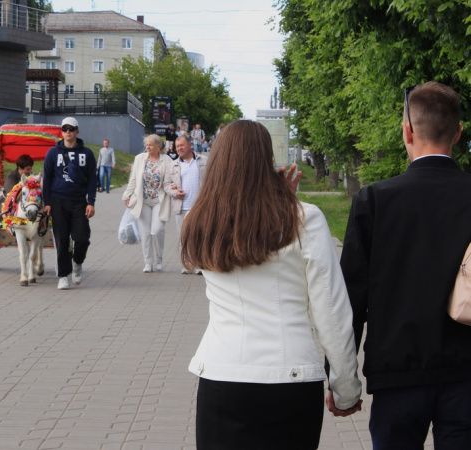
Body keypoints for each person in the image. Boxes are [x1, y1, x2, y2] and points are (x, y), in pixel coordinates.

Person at [181, 120, 362, 449]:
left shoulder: (199, 219)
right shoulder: (304, 218)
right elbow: (331, 311)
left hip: (223, 375)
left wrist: (274, 201)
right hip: (291, 378)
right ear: (268, 159)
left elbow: (245, 232)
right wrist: (346, 387)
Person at [340, 82, 471, 449]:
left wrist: (342, 378)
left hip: (396, 372)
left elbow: (351, 296)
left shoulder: (375, 200)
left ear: (407, 131)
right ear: (458, 133)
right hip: (466, 372)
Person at [41, 117, 97, 290]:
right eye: (65, 129)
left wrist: (91, 202)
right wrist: (47, 202)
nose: (68, 132)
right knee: (62, 240)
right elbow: (47, 178)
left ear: (77, 131)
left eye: (71, 129)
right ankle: (63, 275)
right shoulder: (53, 153)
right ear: (61, 132)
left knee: (82, 238)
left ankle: (77, 263)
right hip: (58, 201)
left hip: (79, 201)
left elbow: (92, 180)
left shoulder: (86, 154)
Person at [122, 134, 172, 273]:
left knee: (157, 230)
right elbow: (133, 179)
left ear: (158, 146)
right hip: (143, 201)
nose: (147, 147)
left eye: (150, 145)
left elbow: (168, 182)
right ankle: (148, 262)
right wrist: (126, 194)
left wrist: (173, 191)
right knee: (145, 233)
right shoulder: (140, 159)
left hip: (159, 201)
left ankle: (159, 259)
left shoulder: (166, 160)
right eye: (146, 145)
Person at [164, 134, 207, 274]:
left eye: (182, 145)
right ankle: (187, 265)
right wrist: (174, 191)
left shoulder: (203, 161)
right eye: (177, 146)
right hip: (181, 207)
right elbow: (166, 185)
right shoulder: (173, 164)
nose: (179, 148)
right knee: (183, 237)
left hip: (200, 207)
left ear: (190, 145)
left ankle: (199, 265)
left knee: (199, 236)